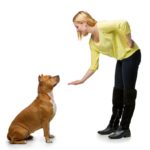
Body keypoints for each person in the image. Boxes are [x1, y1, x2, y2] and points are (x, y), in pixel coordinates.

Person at [68, 11, 141, 139]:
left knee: (128, 93)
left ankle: (124, 128)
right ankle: (113, 125)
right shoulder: (92, 43)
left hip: (131, 55)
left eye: (77, 26)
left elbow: (123, 23)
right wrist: (82, 80)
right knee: (117, 92)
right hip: (121, 58)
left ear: (84, 23)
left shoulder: (101, 27)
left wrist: (128, 40)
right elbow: (93, 66)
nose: (77, 30)